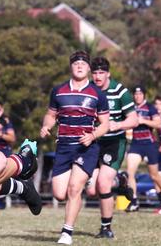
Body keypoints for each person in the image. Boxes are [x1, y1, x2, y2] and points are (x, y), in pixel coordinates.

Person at [40, 51, 110, 245]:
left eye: (83, 64)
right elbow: (51, 115)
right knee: (59, 194)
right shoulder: (58, 91)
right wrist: (46, 125)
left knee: (73, 189)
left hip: (86, 148)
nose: (79, 66)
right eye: (76, 63)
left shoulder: (97, 94)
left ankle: (66, 232)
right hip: (63, 147)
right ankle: (88, 179)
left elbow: (105, 124)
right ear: (71, 67)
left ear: (88, 68)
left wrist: (93, 135)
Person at [86, 57, 137, 238]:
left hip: (114, 142)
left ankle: (106, 228)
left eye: (101, 73)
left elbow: (134, 119)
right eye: (95, 73)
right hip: (93, 142)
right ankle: (120, 181)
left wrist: (118, 125)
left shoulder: (120, 91)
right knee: (91, 190)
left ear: (108, 73)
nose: (98, 76)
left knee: (103, 183)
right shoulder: (88, 89)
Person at [125, 86, 161, 213]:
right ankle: (134, 201)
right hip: (135, 144)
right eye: (135, 94)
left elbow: (159, 124)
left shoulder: (150, 108)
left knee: (155, 176)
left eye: (140, 94)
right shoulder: (130, 109)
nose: (137, 96)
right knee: (129, 173)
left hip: (149, 144)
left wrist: (143, 120)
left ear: (144, 95)